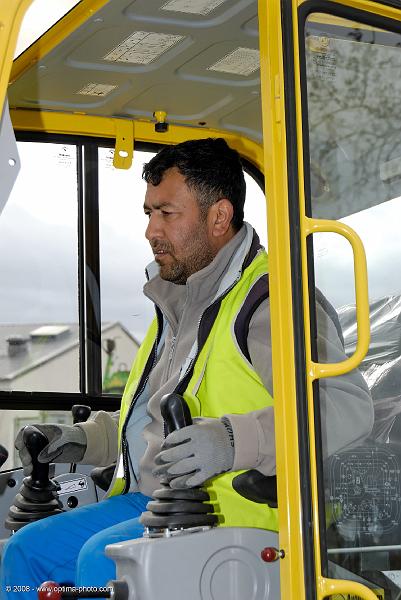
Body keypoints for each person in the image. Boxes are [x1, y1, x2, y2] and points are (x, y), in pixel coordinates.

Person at [0, 138, 373, 598]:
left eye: (167, 214)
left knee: (102, 559)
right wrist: (84, 439)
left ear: (219, 217)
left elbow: (346, 408)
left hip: (239, 509)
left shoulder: (271, 301)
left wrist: (233, 441)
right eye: (148, 213)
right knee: (25, 551)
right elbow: (155, 420)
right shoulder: (177, 304)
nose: (151, 231)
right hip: (158, 502)